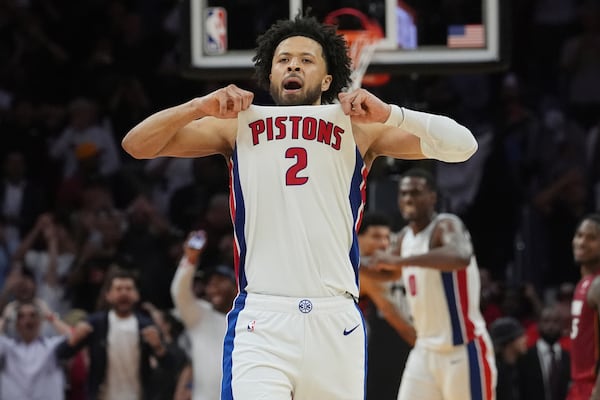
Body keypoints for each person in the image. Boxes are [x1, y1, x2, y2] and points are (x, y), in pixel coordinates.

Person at [121, 13, 478, 400]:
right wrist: (198, 105)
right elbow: (137, 145)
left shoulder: (358, 126)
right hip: (263, 318)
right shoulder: (235, 124)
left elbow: (463, 147)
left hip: (335, 320)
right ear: (270, 76)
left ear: (327, 80)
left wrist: (391, 113)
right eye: (283, 59)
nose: (293, 64)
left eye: (307, 59)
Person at [370, 168, 496, 400]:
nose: (408, 198)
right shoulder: (405, 238)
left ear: (432, 197)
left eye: (416, 193)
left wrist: (401, 261)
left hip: (462, 349)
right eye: (404, 193)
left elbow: (460, 256)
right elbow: (385, 270)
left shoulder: (446, 225)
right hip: (425, 349)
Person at [56, 269, 175, 400]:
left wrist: (158, 348)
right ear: (108, 295)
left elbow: (170, 366)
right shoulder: (95, 324)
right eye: (118, 289)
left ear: (136, 295)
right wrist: (73, 340)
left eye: (128, 289)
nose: (124, 293)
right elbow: (60, 354)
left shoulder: (146, 326)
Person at [170, 230, 238, 400]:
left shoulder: (247, 318)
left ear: (236, 286)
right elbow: (179, 292)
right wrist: (190, 260)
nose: (212, 288)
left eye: (219, 282)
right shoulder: (200, 315)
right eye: (209, 284)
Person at [358, 211, 414, 400]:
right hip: (352, 337)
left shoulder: (379, 262)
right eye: (375, 237)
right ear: (358, 236)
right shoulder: (359, 266)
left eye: (386, 238)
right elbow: (394, 315)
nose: (383, 243)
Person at [0, 301, 72, 400]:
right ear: (16, 323)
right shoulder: (7, 347)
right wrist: (5, 318)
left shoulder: (51, 346)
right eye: (21, 316)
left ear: (40, 321)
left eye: (33, 315)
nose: (28, 320)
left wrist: (50, 316)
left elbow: (73, 337)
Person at [567, 213, 600, 400]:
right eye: (579, 235)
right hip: (578, 386)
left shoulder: (598, 284)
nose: (581, 242)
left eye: (592, 238)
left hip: (592, 387)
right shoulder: (584, 283)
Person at [517, 305, 571, 400]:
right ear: (538, 324)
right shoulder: (525, 357)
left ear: (562, 326)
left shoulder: (568, 358)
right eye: (546, 321)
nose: (551, 326)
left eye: (555, 321)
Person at [489, 317, 528, 400]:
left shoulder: (523, 367)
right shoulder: (495, 374)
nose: (525, 339)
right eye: (520, 335)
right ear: (509, 341)